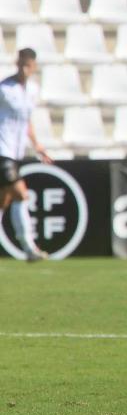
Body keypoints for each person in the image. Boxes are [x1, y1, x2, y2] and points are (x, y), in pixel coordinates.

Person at [0, 50, 54, 262]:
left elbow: (26, 121)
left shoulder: (32, 90)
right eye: (21, 64)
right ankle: (29, 248)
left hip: (16, 152)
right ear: (17, 63)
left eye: (27, 65)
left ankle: (29, 250)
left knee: (3, 201)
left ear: (34, 67)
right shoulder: (4, 89)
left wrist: (37, 145)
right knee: (21, 195)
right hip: (2, 150)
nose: (23, 69)